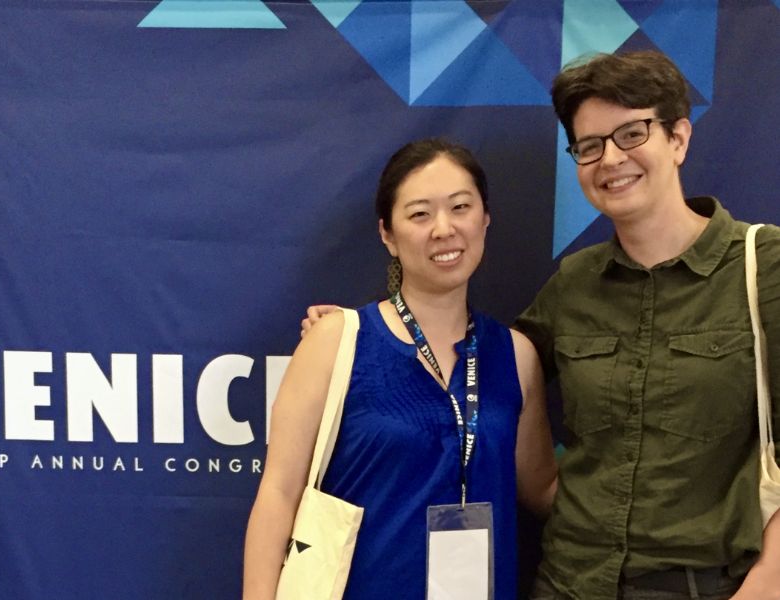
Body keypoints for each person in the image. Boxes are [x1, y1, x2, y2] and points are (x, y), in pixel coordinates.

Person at [302, 51, 780, 599]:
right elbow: (473, 361)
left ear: (678, 139)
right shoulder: (574, 285)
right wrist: (359, 337)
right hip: (570, 582)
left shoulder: (762, 266)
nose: (611, 158)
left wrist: (766, 584)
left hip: (707, 584)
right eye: (590, 145)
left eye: (632, 133)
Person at [243, 139, 557, 600]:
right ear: (387, 234)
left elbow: (543, 489)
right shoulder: (336, 341)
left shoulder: (516, 355)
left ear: (485, 218)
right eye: (420, 214)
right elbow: (279, 494)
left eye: (461, 207)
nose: (444, 228)